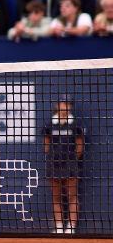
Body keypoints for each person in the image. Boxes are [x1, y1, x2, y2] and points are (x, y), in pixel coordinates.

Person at [43, 100, 84, 235]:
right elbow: (46, 145)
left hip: (70, 166)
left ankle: (71, 227)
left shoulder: (75, 125)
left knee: (72, 196)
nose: (64, 107)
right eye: (62, 104)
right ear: (57, 106)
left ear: (70, 107)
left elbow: (79, 146)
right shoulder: (50, 124)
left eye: (67, 105)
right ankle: (59, 227)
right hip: (53, 165)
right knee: (56, 197)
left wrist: (71, 160)